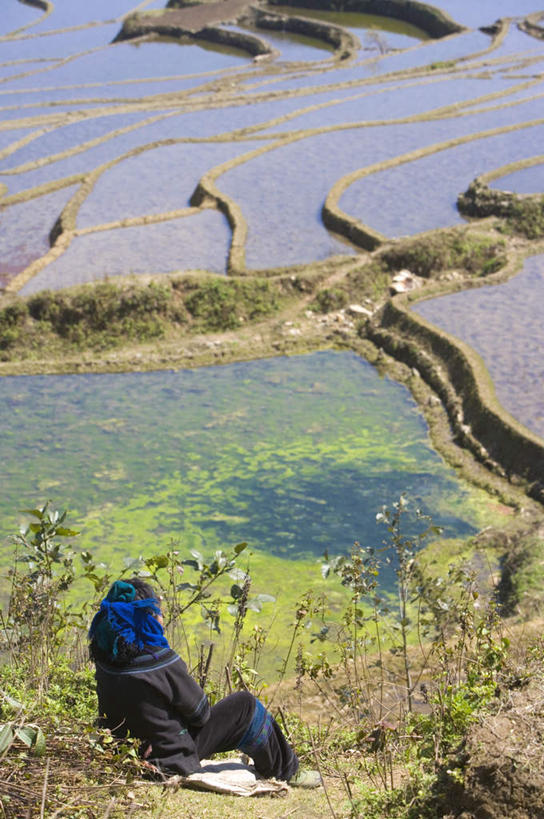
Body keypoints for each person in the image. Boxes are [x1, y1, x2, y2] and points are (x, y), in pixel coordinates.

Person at [88, 578, 321, 787]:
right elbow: (201, 714)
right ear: (145, 617)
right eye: (156, 611)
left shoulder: (105, 661)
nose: (161, 616)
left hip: (125, 757)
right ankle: (287, 771)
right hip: (170, 760)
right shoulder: (161, 661)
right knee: (245, 705)